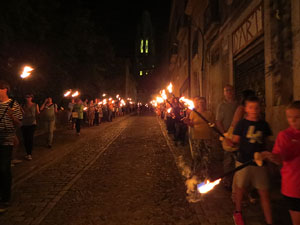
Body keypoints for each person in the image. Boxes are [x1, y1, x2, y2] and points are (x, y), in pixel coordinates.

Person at [228, 96, 273, 225]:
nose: (254, 110)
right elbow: (235, 142)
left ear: (260, 108)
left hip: (260, 163)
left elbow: (267, 143)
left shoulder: (264, 124)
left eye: (256, 107)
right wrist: (230, 142)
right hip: (243, 162)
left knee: (264, 192)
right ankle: (237, 213)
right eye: (250, 107)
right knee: (240, 189)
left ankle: (269, 221)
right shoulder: (241, 124)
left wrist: (269, 157)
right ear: (246, 109)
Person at [262, 101, 300, 225]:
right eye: (289, 117)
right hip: (294, 186)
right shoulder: (285, 135)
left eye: (297, 117)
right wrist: (272, 156)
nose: (293, 120)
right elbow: (279, 157)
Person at [0, 80, 22, 213]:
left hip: (7, 139)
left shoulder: (13, 104)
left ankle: (5, 197)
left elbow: (19, 123)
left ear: (4, 89)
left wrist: (11, 116)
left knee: (4, 168)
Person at [184, 97, 214, 180]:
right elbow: (191, 124)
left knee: (207, 157)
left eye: (203, 102)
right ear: (197, 104)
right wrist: (187, 122)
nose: (201, 104)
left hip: (207, 138)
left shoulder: (209, 113)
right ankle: (194, 172)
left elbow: (213, 124)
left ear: (205, 103)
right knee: (196, 156)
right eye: (200, 102)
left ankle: (206, 174)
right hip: (197, 137)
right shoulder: (193, 113)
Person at [215, 84, 238, 190]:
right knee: (228, 160)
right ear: (224, 93)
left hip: (238, 136)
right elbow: (218, 121)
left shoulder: (238, 104)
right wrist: (224, 135)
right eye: (226, 90)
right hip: (227, 136)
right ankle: (228, 182)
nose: (228, 92)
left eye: (230, 90)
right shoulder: (221, 106)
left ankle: (238, 182)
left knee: (238, 160)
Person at [21, 93, 40, 160]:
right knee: (25, 139)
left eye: (29, 97)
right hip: (24, 123)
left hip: (32, 123)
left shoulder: (35, 105)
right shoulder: (23, 105)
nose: (28, 98)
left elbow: (37, 113)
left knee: (30, 138)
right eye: (26, 97)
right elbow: (22, 114)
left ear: (32, 98)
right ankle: (27, 153)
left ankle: (29, 154)